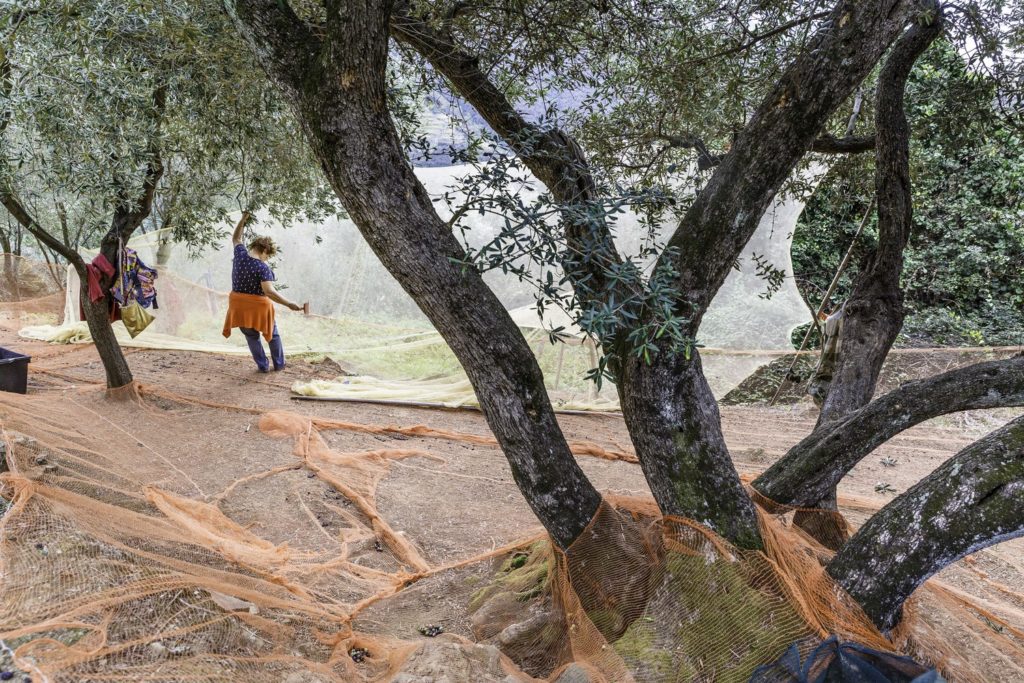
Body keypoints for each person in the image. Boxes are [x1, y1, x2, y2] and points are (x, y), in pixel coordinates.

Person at [221, 212, 307, 373]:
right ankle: (279, 364)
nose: (267, 259)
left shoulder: (240, 256)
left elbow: (236, 239)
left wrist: (243, 219)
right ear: (264, 251)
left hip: (238, 306)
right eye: (268, 256)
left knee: (251, 337)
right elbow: (269, 292)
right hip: (258, 307)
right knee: (272, 334)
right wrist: (289, 304)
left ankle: (263, 366)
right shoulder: (262, 268)